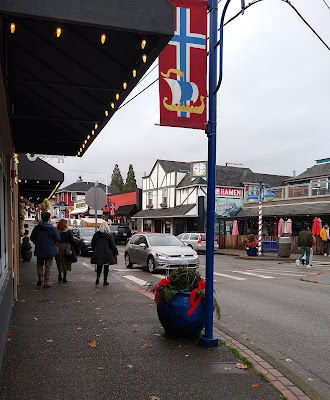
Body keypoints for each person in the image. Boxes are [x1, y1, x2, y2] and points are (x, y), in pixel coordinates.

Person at [30, 211, 60, 288]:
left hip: (40, 249)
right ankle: (46, 281)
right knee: (48, 266)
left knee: (39, 264)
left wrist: (37, 243)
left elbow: (32, 237)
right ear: (49, 219)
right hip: (50, 250)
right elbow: (58, 238)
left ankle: (40, 278)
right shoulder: (53, 229)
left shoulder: (37, 227)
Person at [91, 221, 118, 286]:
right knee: (106, 267)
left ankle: (97, 277)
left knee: (99, 266)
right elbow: (112, 244)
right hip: (107, 253)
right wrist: (116, 251)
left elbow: (93, 243)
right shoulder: (109, 235)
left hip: (98, 251)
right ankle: (105, 281)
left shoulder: (96, 234)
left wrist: (94, 249)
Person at [55, 219, 77, 283]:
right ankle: (64, 277)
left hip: (58, 246)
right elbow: (72, 240)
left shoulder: (57, 230)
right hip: (66, 247)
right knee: (66, 261)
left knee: (59, 260)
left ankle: (59, 274)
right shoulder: (68, 231)